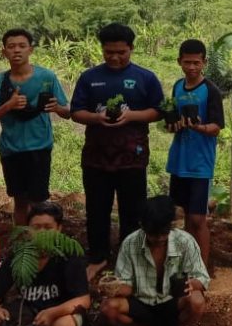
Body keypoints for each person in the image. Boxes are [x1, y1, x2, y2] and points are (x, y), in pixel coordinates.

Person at [70, 23, 163, 279]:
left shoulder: (146, 78)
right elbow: (75, 112)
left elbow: (158, 110)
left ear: (131, 48)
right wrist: (97, 117)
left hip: (132, 157)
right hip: (96, 157)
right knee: (96, 209)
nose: (114, 57)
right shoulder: (89, 77)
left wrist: (131, 115)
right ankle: (98, 257)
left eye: (121, 52)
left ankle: (129, 257)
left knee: (132, 211)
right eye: (108, 51)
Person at [100, 195, 210, 326]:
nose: (159, 238)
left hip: (173, 301)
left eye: (164, 233)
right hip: (141, 301)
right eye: (153, 233)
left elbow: (203, 278)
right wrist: (113, 288)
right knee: (108, 307)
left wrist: (191, 284)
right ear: (142, 226)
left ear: (171, 226)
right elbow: (127, 286)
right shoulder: (130, 244)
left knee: (197, 301)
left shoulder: (185, 242)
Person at [0, 201, 91, 326]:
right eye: (36, 227)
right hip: (27, 317)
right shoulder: (19, 255)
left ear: (59, 229)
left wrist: (52, 313)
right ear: (27, 229)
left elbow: (83, 300)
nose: (41, 233)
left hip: (60, 315)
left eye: (48, 227)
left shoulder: (69, 255)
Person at [0, 28, 71, 226]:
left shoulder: (46, 77)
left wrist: (56, 107)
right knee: (20, 201)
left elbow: (67, 113)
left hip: (39, 147)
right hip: (11, 149)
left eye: (22, 46)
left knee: (38, 201)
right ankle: (22, 245)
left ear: (30, 50)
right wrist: (8, 105)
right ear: (4, 52)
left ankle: (40, 243)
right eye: (11, 47)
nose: (17, 51)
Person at [165, 39, 224, 267]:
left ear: (204, 62)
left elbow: (216, 127)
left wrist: (197, 127)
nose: (191, 67)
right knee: (185, 214)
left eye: (196, 63)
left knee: (198, 218)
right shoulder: (177, 86)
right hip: (179, 160)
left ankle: (202, 267)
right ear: (179, 61)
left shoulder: (210, 91)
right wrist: (174, 125)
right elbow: (170, 121)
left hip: (200, 164)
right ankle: (187, 263)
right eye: (187, 62)